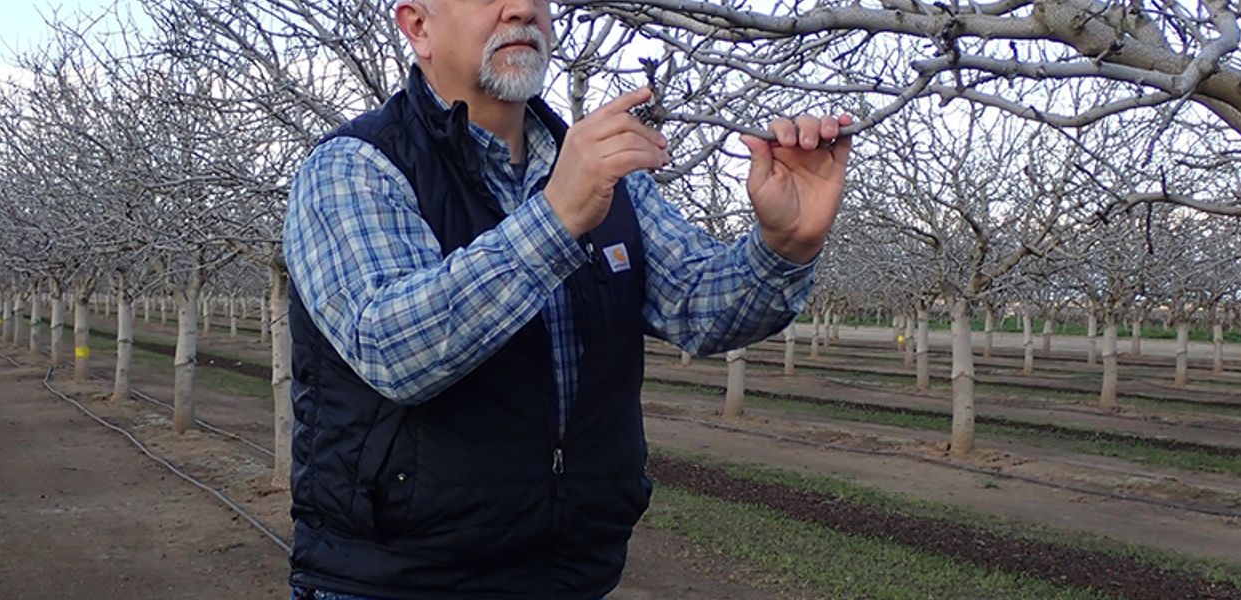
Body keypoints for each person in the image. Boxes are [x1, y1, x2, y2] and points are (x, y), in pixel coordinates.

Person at [281, 0, 852, 598]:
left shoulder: (599, 171)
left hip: (573, 575)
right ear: (418, 26)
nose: (521, 8)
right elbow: (392, 349)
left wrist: (784, 244)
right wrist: (558, 217)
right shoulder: (354, 166)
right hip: (395, 582)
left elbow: (698, 305)